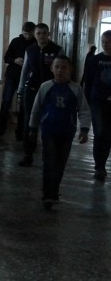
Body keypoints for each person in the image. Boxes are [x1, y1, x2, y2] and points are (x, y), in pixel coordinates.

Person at [28, 54, 90, 209]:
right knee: (49, 161)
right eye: (57, 67)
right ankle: (48, 194)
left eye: (64, 67)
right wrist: (33, 128)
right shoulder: (45, 87)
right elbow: (36, 109)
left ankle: (54, 190)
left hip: (67, 132)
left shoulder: (76, 89)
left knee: (60, 163)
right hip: (49, 130)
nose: (60, 70)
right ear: (51, 68)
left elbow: (84, 110)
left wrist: (84, 129)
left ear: (70, 70)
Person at [16, 23, 62, 167]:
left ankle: (51, 154)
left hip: (51, 90)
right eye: (39, 33)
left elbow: (62, 69)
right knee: (29, 121)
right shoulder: (30, 50)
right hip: (32, 89)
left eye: (44, 33)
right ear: (35, 35)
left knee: (51, 120)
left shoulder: (56, 50)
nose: (42, 36)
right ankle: (28, 153)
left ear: (49, 34)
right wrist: (20, 90)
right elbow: (24, 70)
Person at [0, 22, 36, 140]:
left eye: (30, 34)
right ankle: (1, 128)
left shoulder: (35, 43)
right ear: (22, 32)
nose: (27, 37)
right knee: (6, 101)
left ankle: (20, 131)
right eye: (25, 34)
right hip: (13, 75)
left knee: (24, 104)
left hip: (27, 77)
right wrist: (15, 60)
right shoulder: (16, 41)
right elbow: (6, 58)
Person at [82, 31, 111, 181]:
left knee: (107, 135)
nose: (105, 44)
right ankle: (99, 166)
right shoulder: (94, 60)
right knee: (99, 132)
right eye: (103, 41)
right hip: (97, 100)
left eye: (108, 42)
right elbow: (88, 81)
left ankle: (102, 164)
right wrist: (86, 102)